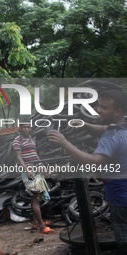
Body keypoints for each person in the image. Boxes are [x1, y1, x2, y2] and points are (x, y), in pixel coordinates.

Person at [47, 89, 127, 253]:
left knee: (124, 240)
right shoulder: (121, 127)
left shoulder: (111, 137)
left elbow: (94, 161)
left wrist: (64, 143)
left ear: (118, 111)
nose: (98, 110)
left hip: (121, 196)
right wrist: (84, 125)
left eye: (104, 107)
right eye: (98, 105)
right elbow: (103, 128)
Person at [12, 123, 56, 234]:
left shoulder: (31, 139)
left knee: (37, 197)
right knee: (35, 197)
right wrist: (27, 170)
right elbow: (19, 157)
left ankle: (36, 223)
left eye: (28, 127)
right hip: (29, 171)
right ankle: (42, 227)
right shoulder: (17, 141)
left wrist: (42, 166)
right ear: (20, 129)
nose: (26, 129)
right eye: (24, 127)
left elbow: (35, 155)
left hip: (37, 170)